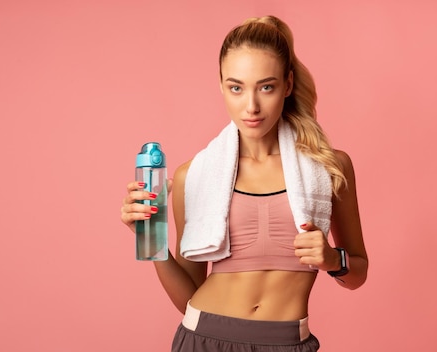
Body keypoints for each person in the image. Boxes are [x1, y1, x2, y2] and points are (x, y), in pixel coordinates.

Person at [120, 15, 368, 352]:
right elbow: (188, 295)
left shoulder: (329, 167)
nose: (250, 106)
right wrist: (152, 241)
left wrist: (332, 259)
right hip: (202, 338)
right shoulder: (193, 175)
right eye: (236, 87)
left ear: (288, 84)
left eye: (266, 87)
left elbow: (358, 271)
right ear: (221, 85)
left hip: (287, 342)